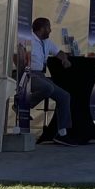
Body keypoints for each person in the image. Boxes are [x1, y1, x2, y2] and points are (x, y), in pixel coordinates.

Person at [28, 17, 73, 145]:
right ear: (42, 28)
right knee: (48, 88)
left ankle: (62, 134)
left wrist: (64, 59)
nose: (50, 30)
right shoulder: (29, 40)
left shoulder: (46, 42)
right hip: (29, 74)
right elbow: (16, 56)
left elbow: (59, 52)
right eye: (48, 27)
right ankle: (23, 104)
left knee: (64, 96)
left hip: (41, 75)